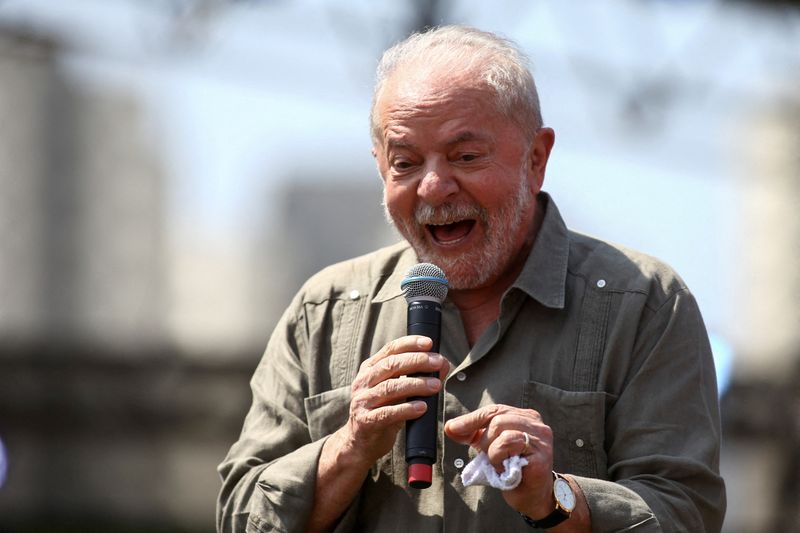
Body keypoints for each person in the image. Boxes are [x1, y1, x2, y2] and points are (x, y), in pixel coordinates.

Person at [217, 25, 726, 532]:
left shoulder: (644, 304)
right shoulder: (325, 310)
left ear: (536, 158)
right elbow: (239, 515)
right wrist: (348, 447)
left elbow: (685, 514)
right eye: (405, 163)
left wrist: (556, 498)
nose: (434, 187)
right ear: (380, 167)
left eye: (465, 156)